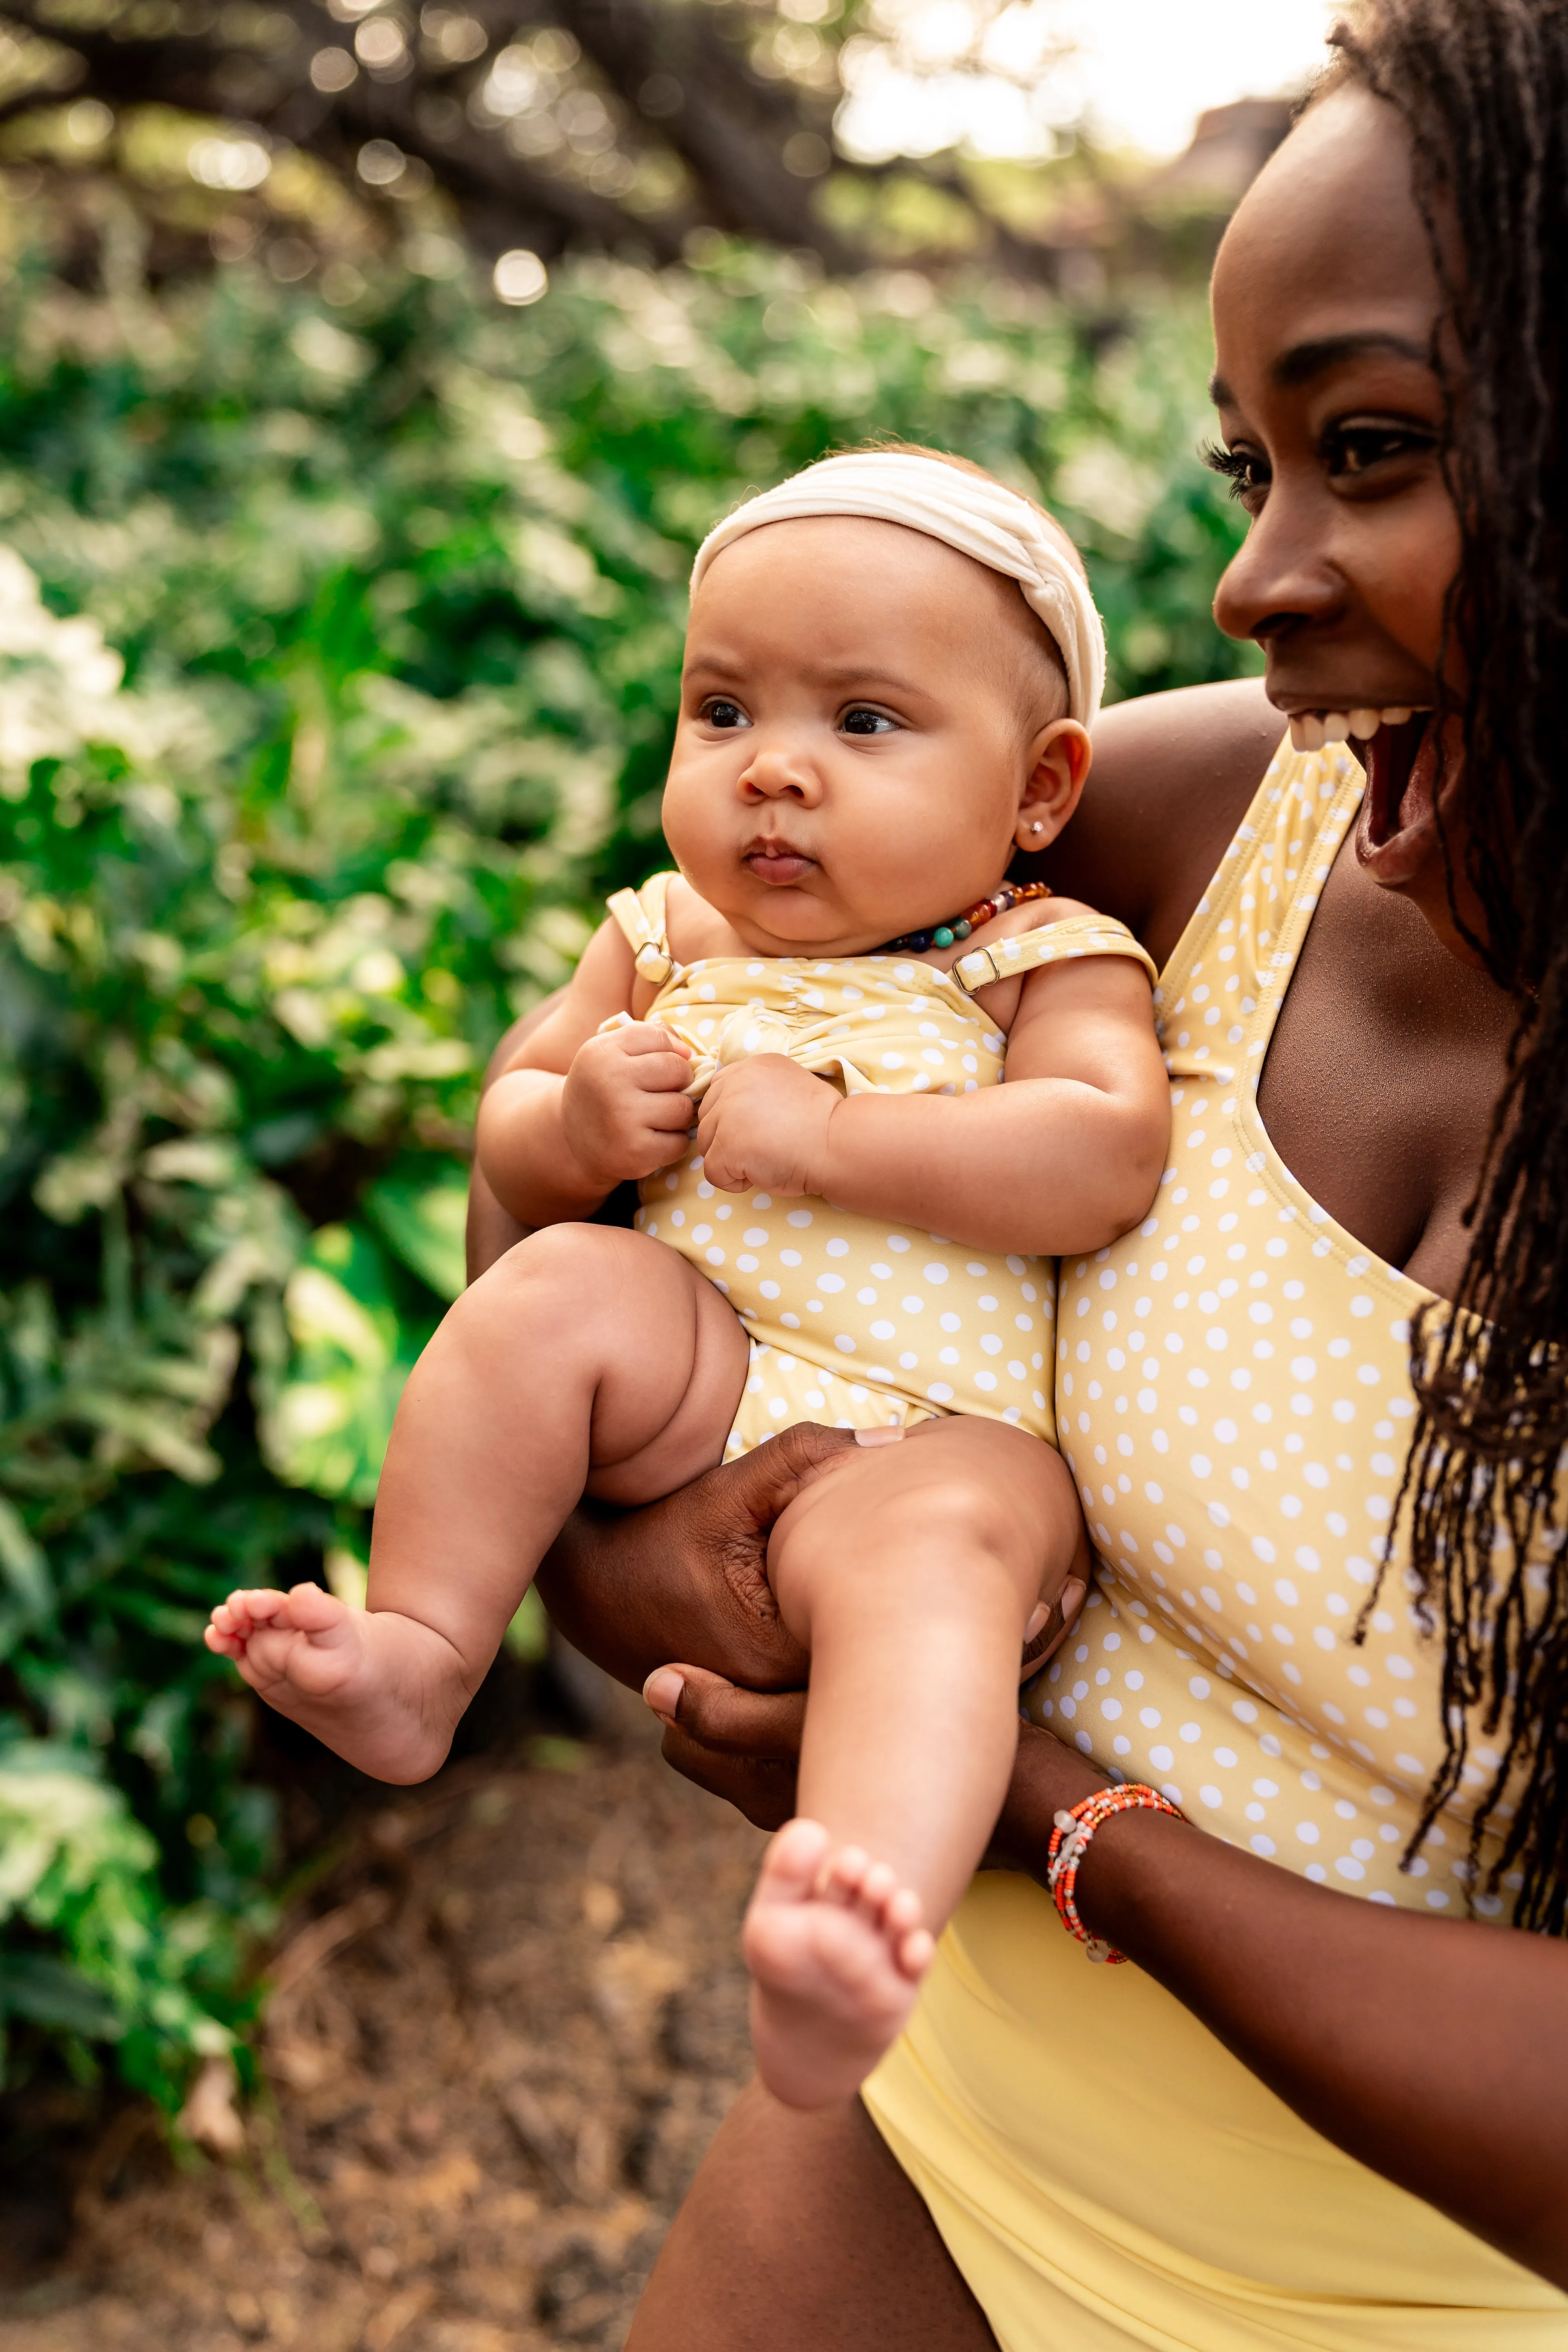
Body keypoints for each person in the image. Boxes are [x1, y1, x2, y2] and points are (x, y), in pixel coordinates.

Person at [472, 4, 1568, 2344]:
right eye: (1247, 467)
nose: (1255, 582)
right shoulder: (1210, 823)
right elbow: (575, 1233)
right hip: (913, 2160)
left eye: (1370, 448)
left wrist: (1055, 1817)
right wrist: (678, 1550)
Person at [205, 451, 1170, 2109]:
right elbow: (510, 1141)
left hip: (927, 1439)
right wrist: (574, 1125)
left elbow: (1103, 1154)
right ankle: (424, 1652)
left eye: (862, 724)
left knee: (941, 1554)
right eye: (722, 712)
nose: (772, 775)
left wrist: (833, 1144)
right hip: (703, 1368)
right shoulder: (660, 938)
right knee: (556, 1290)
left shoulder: (1037, 959)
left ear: (1036, 788)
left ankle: (857, 1912)